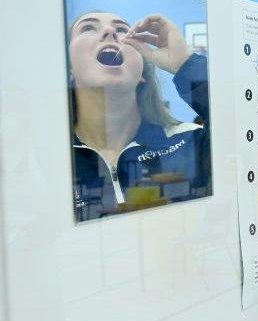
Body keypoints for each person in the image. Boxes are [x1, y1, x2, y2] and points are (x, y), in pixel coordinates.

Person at [67, 12, 211, 222]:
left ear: (142, 72)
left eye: (122, 30)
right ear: (70, 71)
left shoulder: (191, 141)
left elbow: (248, 130)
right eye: (88, 28)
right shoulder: (52, 161)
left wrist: (184, 63)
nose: (110, 31)